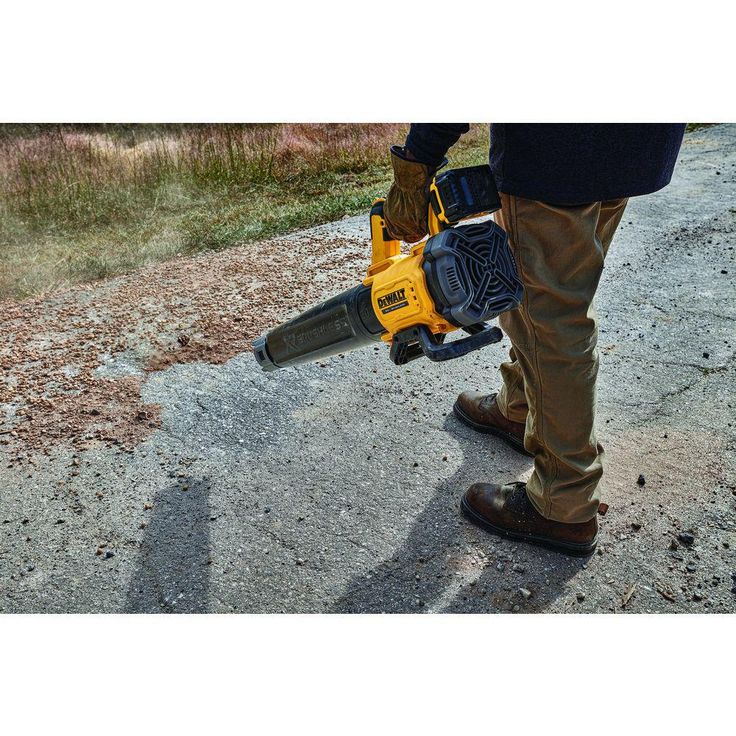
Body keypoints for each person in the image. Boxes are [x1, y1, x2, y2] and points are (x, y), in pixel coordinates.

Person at [384, 123, 685, 556]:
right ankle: (520, 407)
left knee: (549, 318)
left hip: (554, 152)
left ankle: (564, 501)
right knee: (550, 295)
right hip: (634, 142)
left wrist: (418, 161)